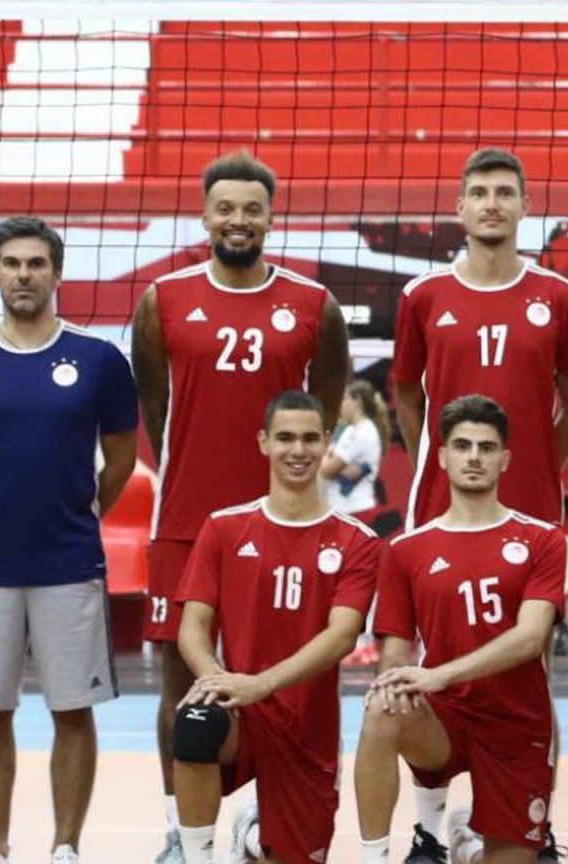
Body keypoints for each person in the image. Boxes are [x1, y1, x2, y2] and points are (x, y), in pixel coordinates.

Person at [130, 150, 351, 863]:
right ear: (204, 215)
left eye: (252, 209)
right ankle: (180, 827)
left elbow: (324, 407)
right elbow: (157, 409)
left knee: (284, 678)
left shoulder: (314, 305)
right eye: (225, 207)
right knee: (183, 683)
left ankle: (263, 811)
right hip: (186, 522)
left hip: (285, 524)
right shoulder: (162, 300)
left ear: (270, 217)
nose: (238, 220)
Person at [391, 145, 568, 862]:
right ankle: (429, 828)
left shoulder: (559, 297)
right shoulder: (424, 296)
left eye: (505, 192)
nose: (492, 204)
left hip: (531, 506)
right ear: (459, 207)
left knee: (531, 667)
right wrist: (439, 462)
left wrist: (537, 461)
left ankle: (534, 824)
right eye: (479, 192)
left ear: (525, 206)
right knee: (430, 661)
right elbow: (406, 394)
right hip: (439, 506)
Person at [0, 216, 138, 864]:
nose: (23, 275)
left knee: (73, 709)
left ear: (57, 273)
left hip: (69, 562)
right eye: (12, 263)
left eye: (35, 263)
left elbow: (121, 457)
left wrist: (81, 511)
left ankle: (65, 847)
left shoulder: (99, 359)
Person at [169, 391, 382, 864]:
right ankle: (196, 856)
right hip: (239, 710)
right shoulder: (224, 528)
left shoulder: (357, 540)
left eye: (309, 439)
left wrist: (260, 683)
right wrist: (214, 678)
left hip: (307, 727)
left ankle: (254, 831)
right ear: (264, 442)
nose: (297, 450)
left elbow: (342, 636)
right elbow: (192, 627)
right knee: (196, 722)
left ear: (326, 442)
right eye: (285, 438)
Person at [355, 395, 564, 864]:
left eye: (486, 448)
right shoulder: (407, 550)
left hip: (515, 722)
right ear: (442, 456)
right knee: (382, 707)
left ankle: (468, 847)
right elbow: (395, 649)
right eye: (463, 446)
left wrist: (439, 675)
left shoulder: (542, 539)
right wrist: (393, 683)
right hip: (443, 719)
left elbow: (531, 638)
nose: (474, 457)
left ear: (504, 459)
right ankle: (380, 856)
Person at [323, 378, 392, 515]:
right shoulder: (351, 429)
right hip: (342, 509)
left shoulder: (363, 431)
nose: (340, 404)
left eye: (345, 399)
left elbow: (326, 470)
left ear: (358, 401)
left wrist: (325, 454)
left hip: (355, 510)